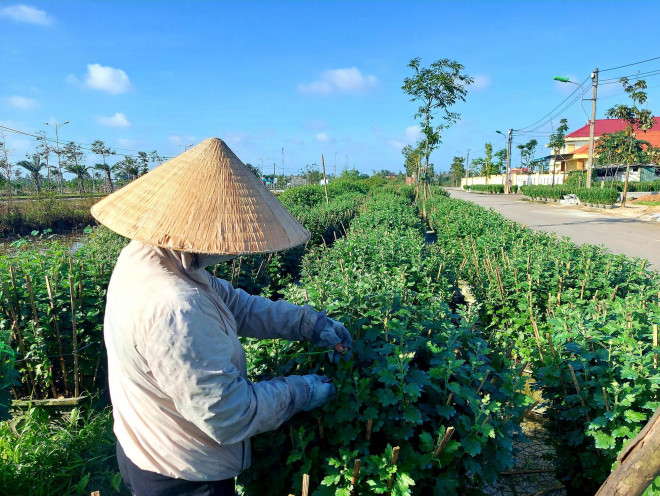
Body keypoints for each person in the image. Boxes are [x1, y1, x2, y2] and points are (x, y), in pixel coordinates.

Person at [91, 138, 352, 496]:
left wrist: (307, 323)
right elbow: (228, 414)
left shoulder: (149, 253)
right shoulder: (175, 308)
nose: (230, 249)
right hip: (183, 474)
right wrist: (299, 392)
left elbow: (235, 304)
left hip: (148, 441)